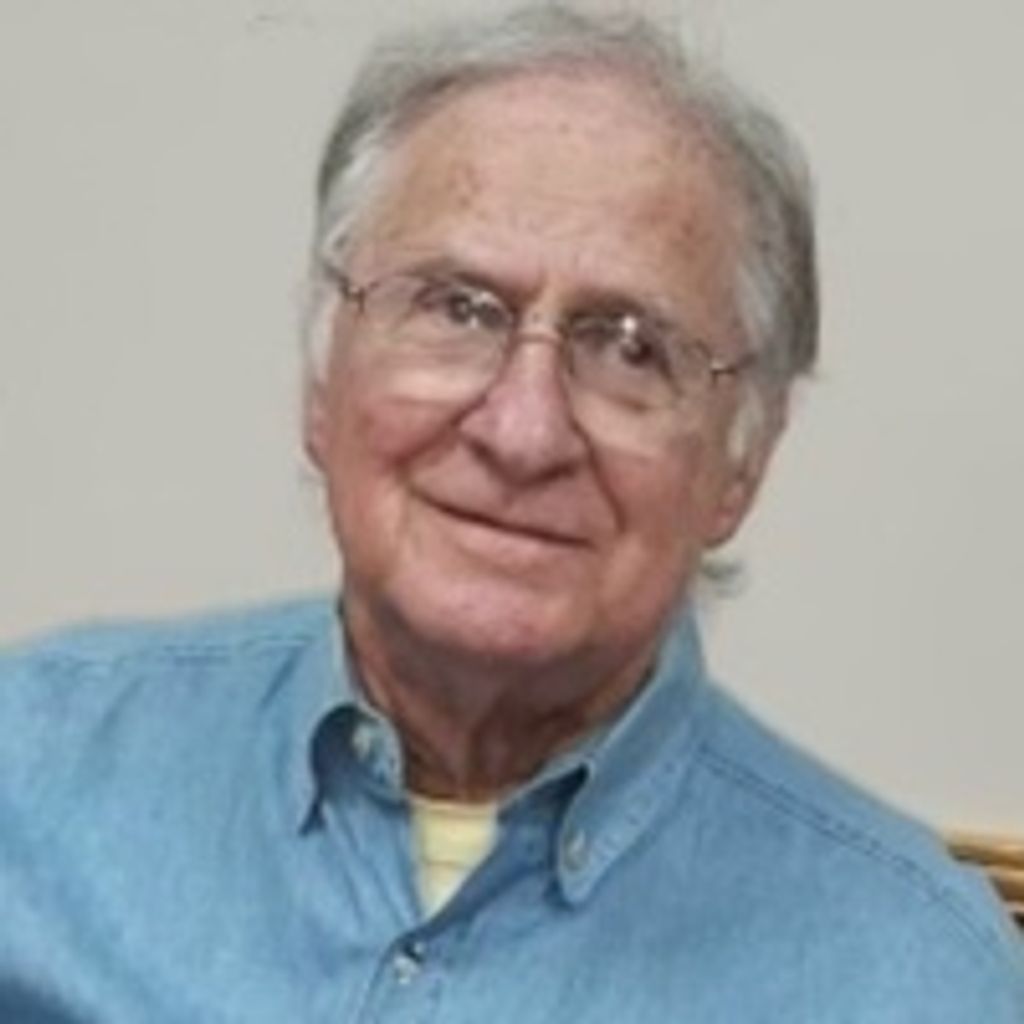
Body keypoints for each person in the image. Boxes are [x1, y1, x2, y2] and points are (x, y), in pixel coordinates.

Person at [1, 6, 1021, 1022]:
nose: (524, 432)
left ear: (741, 462)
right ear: (322, 379)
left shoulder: (917, 980)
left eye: (630, 348)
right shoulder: (28, 777)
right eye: (457, 307)